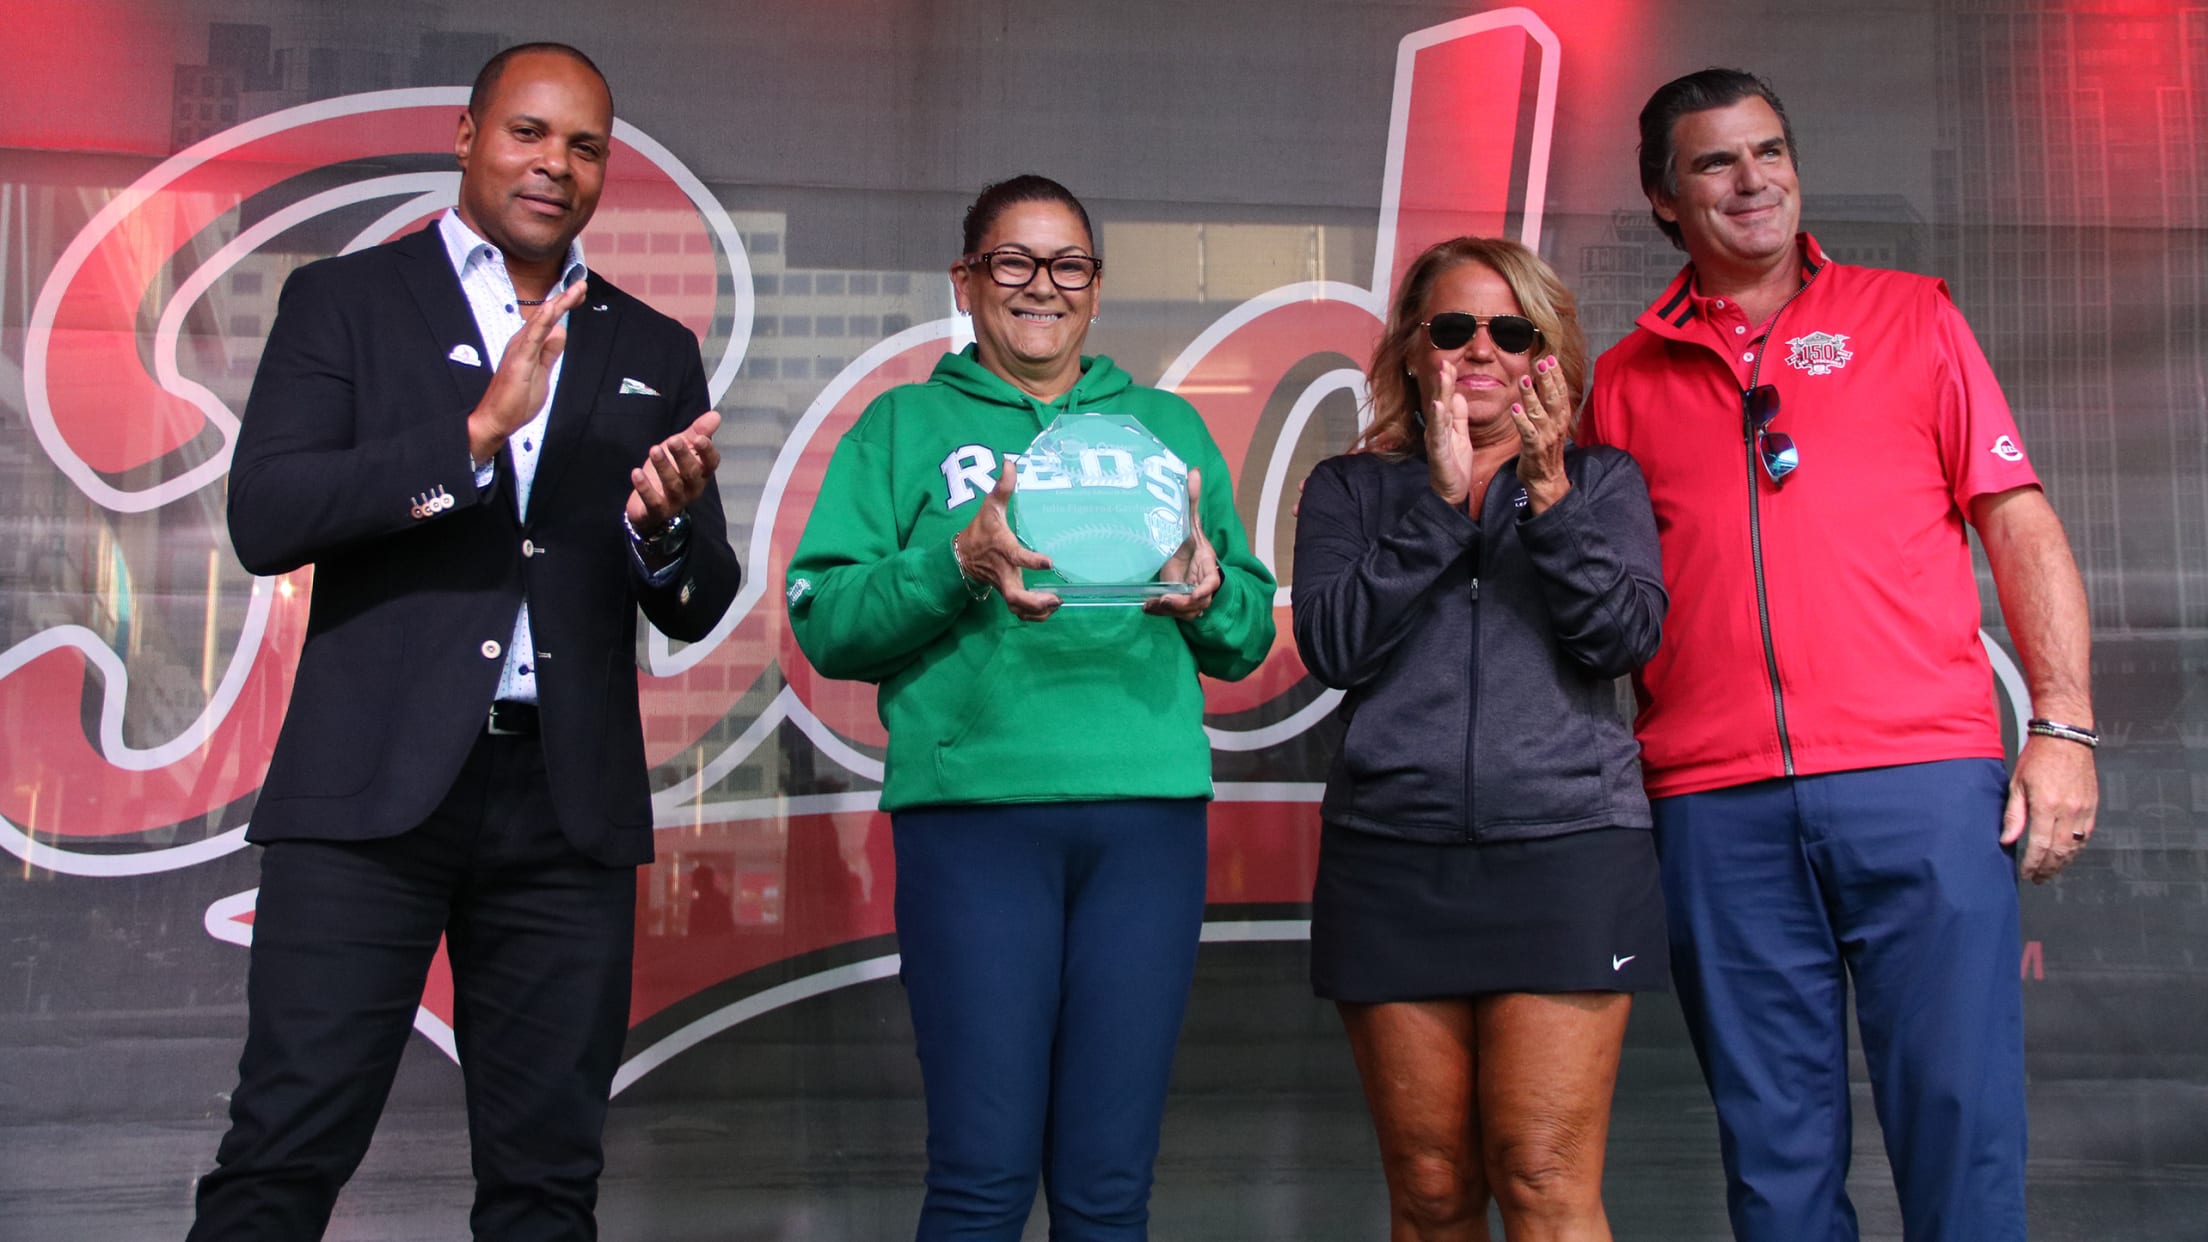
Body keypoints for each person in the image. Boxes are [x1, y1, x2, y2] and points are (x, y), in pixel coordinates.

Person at [190, 42, 740, 1240]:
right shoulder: (345, 302)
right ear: (468, 136)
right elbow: (267, 519)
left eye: (585, 145)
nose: (557, 164)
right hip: (368, 797)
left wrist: (660, 536)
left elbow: (698, 599)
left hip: (564, 807)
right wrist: (476, 434)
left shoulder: (651, 346)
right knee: (283, 1152)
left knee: (548, 1183)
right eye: (530, 133)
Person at [1581, 68, 2099, 1241]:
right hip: (1716, 803)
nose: (1753, 180)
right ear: (1666, 198)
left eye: (1770, 150)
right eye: (1716, 162)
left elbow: (2017, 520)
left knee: (1960, 1126)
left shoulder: (1912, 314)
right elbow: (1590, 604)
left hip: (1919, 782)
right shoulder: (1620, 382)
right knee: (1775, 1162)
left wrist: (2061, 729)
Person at [784, 174, 1275, 1241]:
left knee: (1108, 1191)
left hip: (1144, 821)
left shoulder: (1165, 428)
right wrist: (958, 560)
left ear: (1096, 290)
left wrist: (1205, 587)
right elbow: (825, 618)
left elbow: (1245, 634)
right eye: (1014, 262)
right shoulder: (904, 425)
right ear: (967, 281)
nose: (1041, 287)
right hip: (976, 822)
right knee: (980, 1180)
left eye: (1068, 267)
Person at [1292, 236, 1669, 1241]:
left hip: (1568, 852)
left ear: (1547, 352)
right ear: (1415, 351)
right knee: (1428, 1185)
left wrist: (1545, 495)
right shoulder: (1351, 490)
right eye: (1453, 329)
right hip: (1392, 858)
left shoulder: (1602, 481)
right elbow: (1334, 644)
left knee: (1543, 1177)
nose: (1482, 351)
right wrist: (1438, 506)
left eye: (1513, 331)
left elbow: (1623, 638)